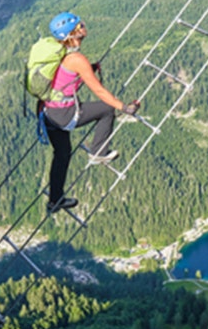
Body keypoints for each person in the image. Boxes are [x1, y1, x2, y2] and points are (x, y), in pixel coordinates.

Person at [41, 11, 140, 213]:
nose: (85, 27)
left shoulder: (56, 52)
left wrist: (91, 68)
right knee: (107, 109)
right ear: (74, 32)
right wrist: (123, 107)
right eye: (81, 25)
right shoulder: (77, 59)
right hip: (64, 114)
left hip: (48, 112)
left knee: (62, 154)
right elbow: (99, 90)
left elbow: (63, 79)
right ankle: (98, 152)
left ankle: (55, 199)